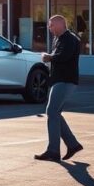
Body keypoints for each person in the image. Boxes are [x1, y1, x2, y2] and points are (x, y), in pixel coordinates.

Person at [35, 15, 83, 162]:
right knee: (55, 112)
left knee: (51, 111)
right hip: (60, 81)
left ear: (61, 24)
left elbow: (63, 56)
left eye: (51, 25)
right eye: (49, 26)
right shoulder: (59, 38)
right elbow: (59, 56)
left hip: (65, 81)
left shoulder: (70, 39)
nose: (49, 28)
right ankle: (72, 145)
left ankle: (53, 151)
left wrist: (48, 57)